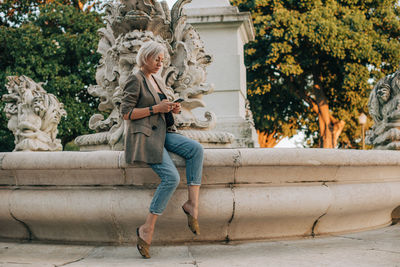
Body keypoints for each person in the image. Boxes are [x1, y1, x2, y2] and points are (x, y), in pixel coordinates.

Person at [120, 41, 204, 259]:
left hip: (164, 133)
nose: (160, 63)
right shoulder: (135, 79)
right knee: (171, 178)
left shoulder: (155, 79)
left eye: (162, 60)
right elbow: (126, 113)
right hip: (147, 138)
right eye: (156, 59)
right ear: (145, 58)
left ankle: (192, 205)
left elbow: (160, 108)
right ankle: (147, 228)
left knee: (196, 149)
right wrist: (155, 108)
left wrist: (171, 108)